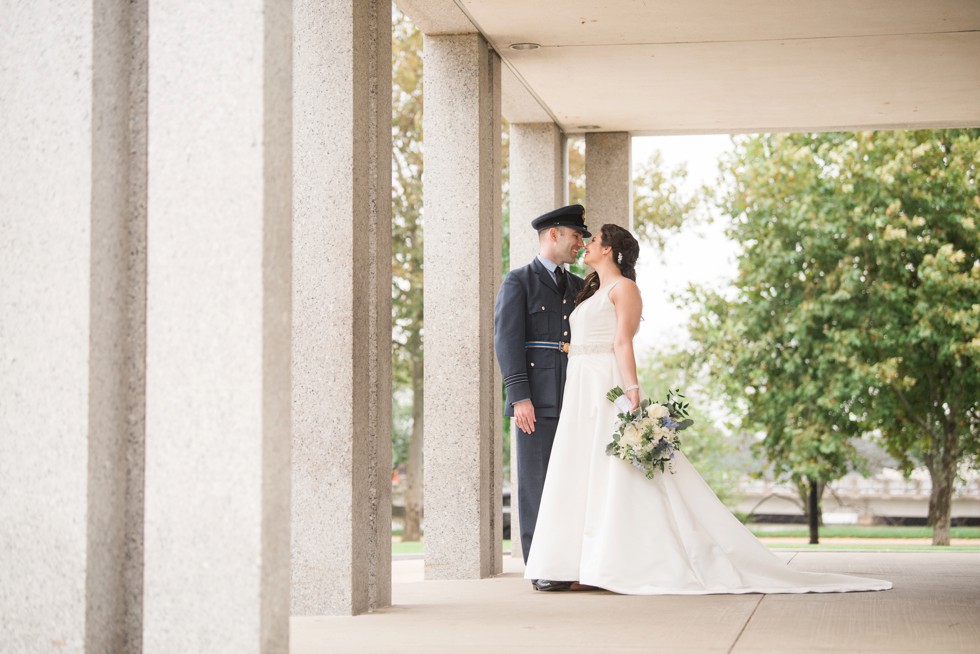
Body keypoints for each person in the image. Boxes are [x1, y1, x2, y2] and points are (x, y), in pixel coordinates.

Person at [524, 224, 892, 595]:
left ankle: (619, 561)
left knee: (614, 471)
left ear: (610, 250)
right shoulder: (590, 290)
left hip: (605, 384)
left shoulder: (625, 289)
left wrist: (632, 391)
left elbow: (622, 342)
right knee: (580, 468)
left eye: (595, 240)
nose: (586, 244)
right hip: (580, 387)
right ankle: (573, 562)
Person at [494, 204, 589, 590]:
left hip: (576, 395)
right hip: (537, 398)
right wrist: (519, 397)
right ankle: (542, 566)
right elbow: (506, 339)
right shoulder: (520, 280)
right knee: (536, 482)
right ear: (554, 234)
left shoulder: (579, 283)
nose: (580, 245)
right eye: (576, 236)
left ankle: (570, 561)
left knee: (570, 482)